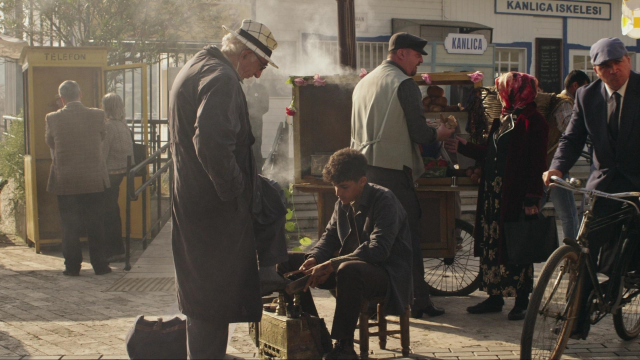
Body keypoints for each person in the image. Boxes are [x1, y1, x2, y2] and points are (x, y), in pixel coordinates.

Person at [169, 19, 282, 359]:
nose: (259, 74)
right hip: (213, 211)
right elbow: (212, 144)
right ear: (245, 54)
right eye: (260, 65)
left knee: (206, 301)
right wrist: (237, 194)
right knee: (211, 302)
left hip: (197, 204)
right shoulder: (222, 78)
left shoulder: (199, 66)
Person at [350, 32, 453, 318]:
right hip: (393, 171)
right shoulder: (404, 84)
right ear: (402, 54)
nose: (420, 60)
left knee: (372, 237)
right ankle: (417, 301)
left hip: (364, 171)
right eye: (418, 54)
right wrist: (440, 133)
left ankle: (373, 301)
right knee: (406, 238)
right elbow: (420, 133)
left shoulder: (364, 82)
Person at [544, 37, 640, 339]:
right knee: (586, 247)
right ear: (595, 70)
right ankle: (576, 320)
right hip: (605, 184)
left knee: (633, 250)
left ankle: (626, 279)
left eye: (617, 63)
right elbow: (572, 138)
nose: (613, 71)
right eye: (605, 67)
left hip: (638, 184)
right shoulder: (587, 95)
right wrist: (557, 166)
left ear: (628, 61)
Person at [278, 148, 412, 360]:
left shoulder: (385, 200)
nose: (338, 192)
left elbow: (378, 250)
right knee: (286, 261)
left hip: (387, 273)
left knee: (348, 269)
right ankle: (315, 336)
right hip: (348, 269)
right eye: (335, 186)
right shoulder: (342, 202)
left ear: (362, 181)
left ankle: (345, 346)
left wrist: (332, 264)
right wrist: (314, 258)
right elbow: (329, 238)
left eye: (344, 187)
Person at [445, 72, 548, 320]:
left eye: (502, 89)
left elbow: (537, 163)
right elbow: (491, 153)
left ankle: (522, 300)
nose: (499, 93)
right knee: (492, 244)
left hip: (516, 194)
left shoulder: (534, 121)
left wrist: (533, 198)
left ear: (515, 91)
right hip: (493, 194)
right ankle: (494, 295)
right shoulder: (503, 119)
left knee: (516, 245)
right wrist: (464, 146)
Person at [45, 80, 111, 276]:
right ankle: (100, 265)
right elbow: (101, 137)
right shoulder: (97, 115)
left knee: (69, 225)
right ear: (80, 94)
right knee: (96, 224)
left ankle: (72, 267)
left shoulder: (52, 118)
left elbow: (50, 142)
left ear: (62, 99)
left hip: (65, 180)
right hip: (92, 179)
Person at [539, 70, 591, 241]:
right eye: (585, 87)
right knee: (569, 214)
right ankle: (572, 254)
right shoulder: (565, 103)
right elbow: (570, 131)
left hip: (549, 164)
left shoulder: (560, 102)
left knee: (536, 206)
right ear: (575, 86)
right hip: (555, 166)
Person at [101, 93, 134, 262]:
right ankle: (118, 248)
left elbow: (102, 152)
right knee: (113, 209)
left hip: (109, 172)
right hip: (122, 171)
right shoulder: (123, 125)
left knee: (108, 211)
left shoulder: (109, 126)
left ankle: (113, 249)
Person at [243, 78, 270, 172]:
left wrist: (252, 113)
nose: (248, 78)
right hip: (240, 124)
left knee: (255, 148)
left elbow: (265, 107)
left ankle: (258, 174)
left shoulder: (261, 88)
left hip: (255, 124)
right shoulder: (239, 87)